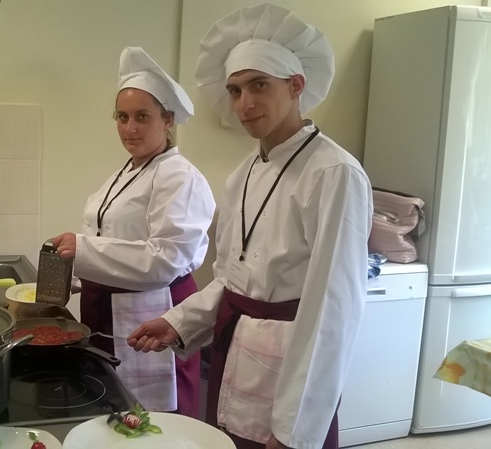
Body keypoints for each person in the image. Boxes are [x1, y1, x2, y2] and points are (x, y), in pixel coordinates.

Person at [127, 4, 373, 449]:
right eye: (235, 90)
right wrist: (179, 322)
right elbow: (232, 279)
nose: (245, 103)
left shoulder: (333, 173)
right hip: (235, 356)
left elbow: (333, 310)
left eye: (259, 85)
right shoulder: (242, 173)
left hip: (290, 378)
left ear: (296, 85)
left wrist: (295, 427)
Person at [52, 46, 216, 418]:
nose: (130, 128)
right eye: (122, 117)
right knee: (113, 410)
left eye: (142, 117)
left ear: (168, 119)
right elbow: (109, 236)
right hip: (106, 309)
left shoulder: (179, 177)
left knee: (154, 422)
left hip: (152, 311)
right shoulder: (127, 171)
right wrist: (73, 274)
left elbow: (166, 260)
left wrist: (83, 251)